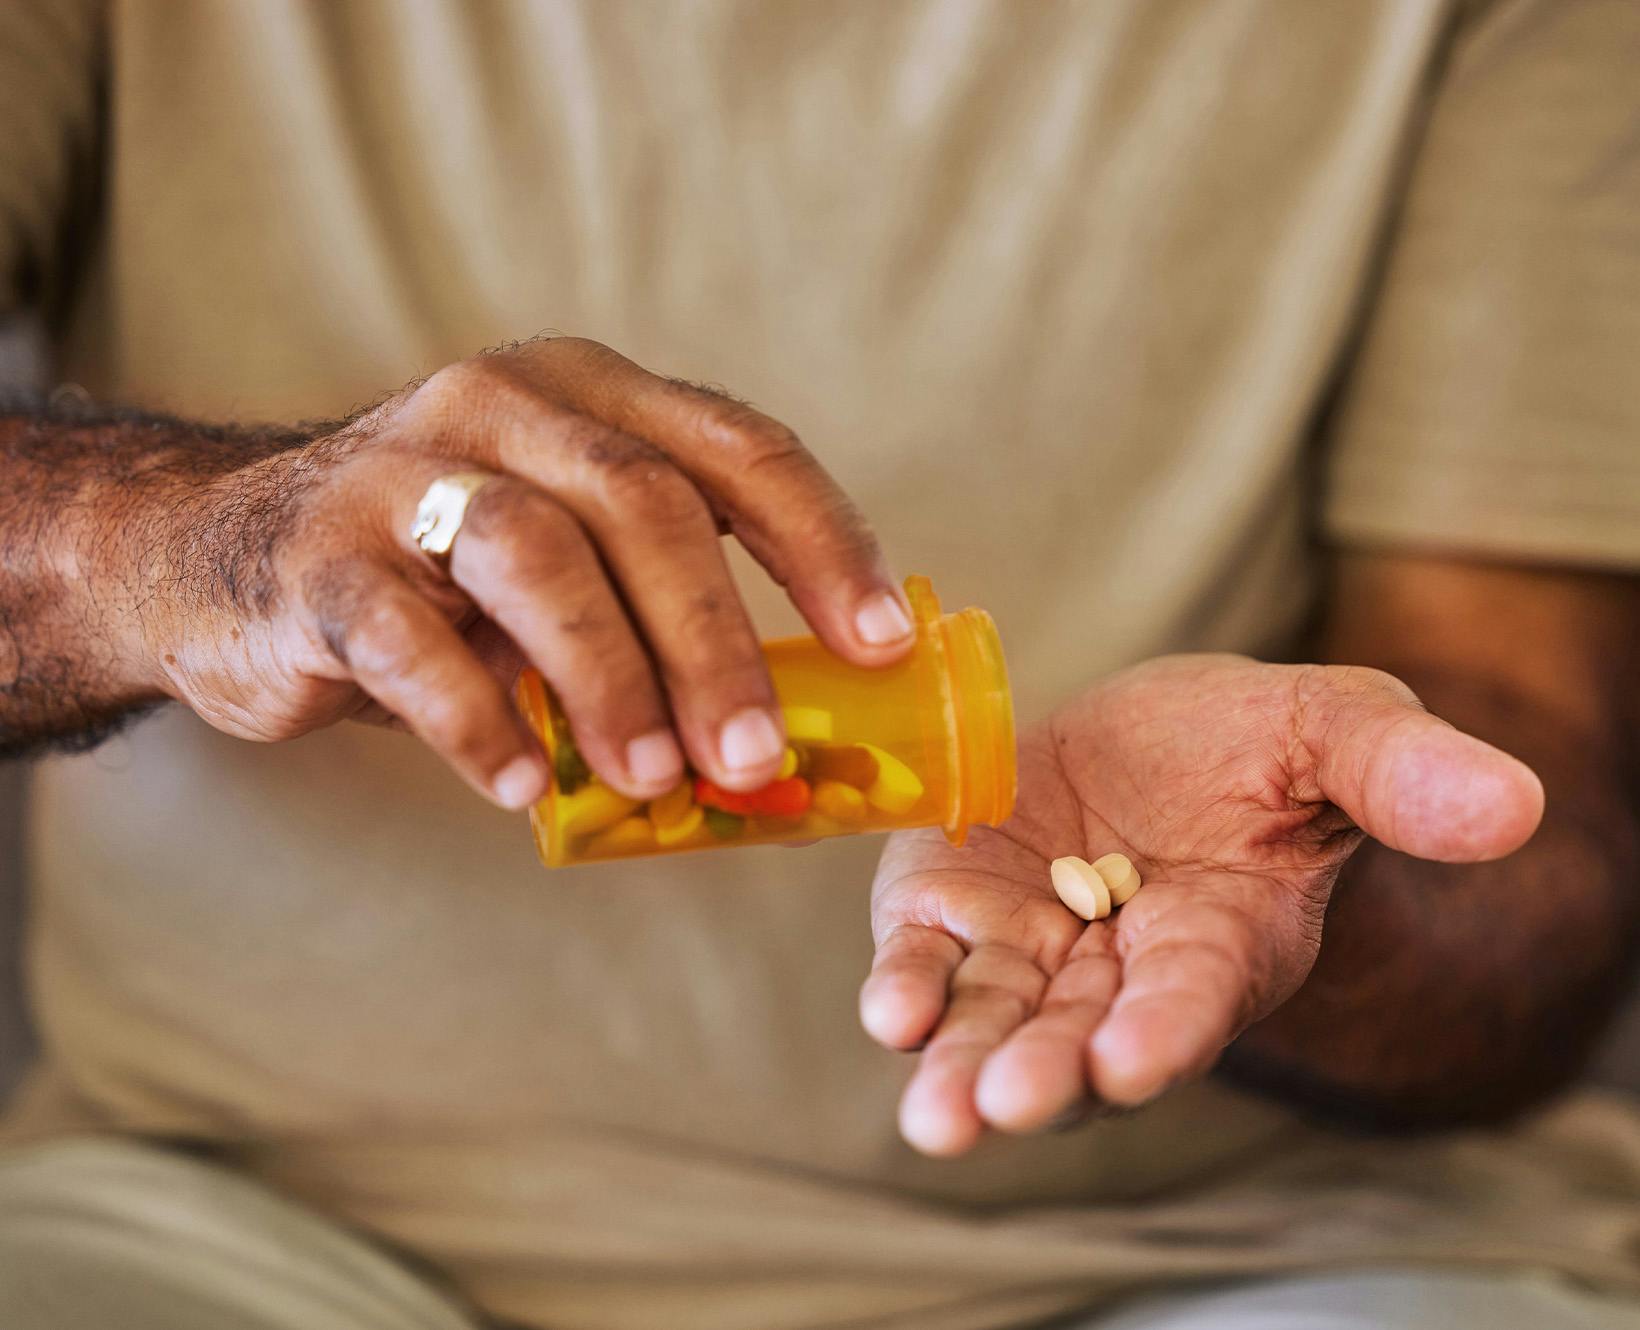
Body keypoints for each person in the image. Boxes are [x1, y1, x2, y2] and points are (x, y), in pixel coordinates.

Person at [0, 3, 1637, 1329]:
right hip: (230, 1223)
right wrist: (174, 547)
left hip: (1225, 1253)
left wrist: (1299, 869)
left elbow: (1531, 875)